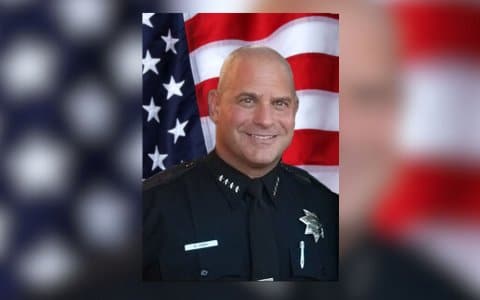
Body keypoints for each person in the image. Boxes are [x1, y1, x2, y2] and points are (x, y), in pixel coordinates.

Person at [142, 46, 338, 281]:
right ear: (215, 106)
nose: (265, 120)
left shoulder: (327, 208)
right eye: (247, 100)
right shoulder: (152, 207)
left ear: (294, 110)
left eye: (280, 103)